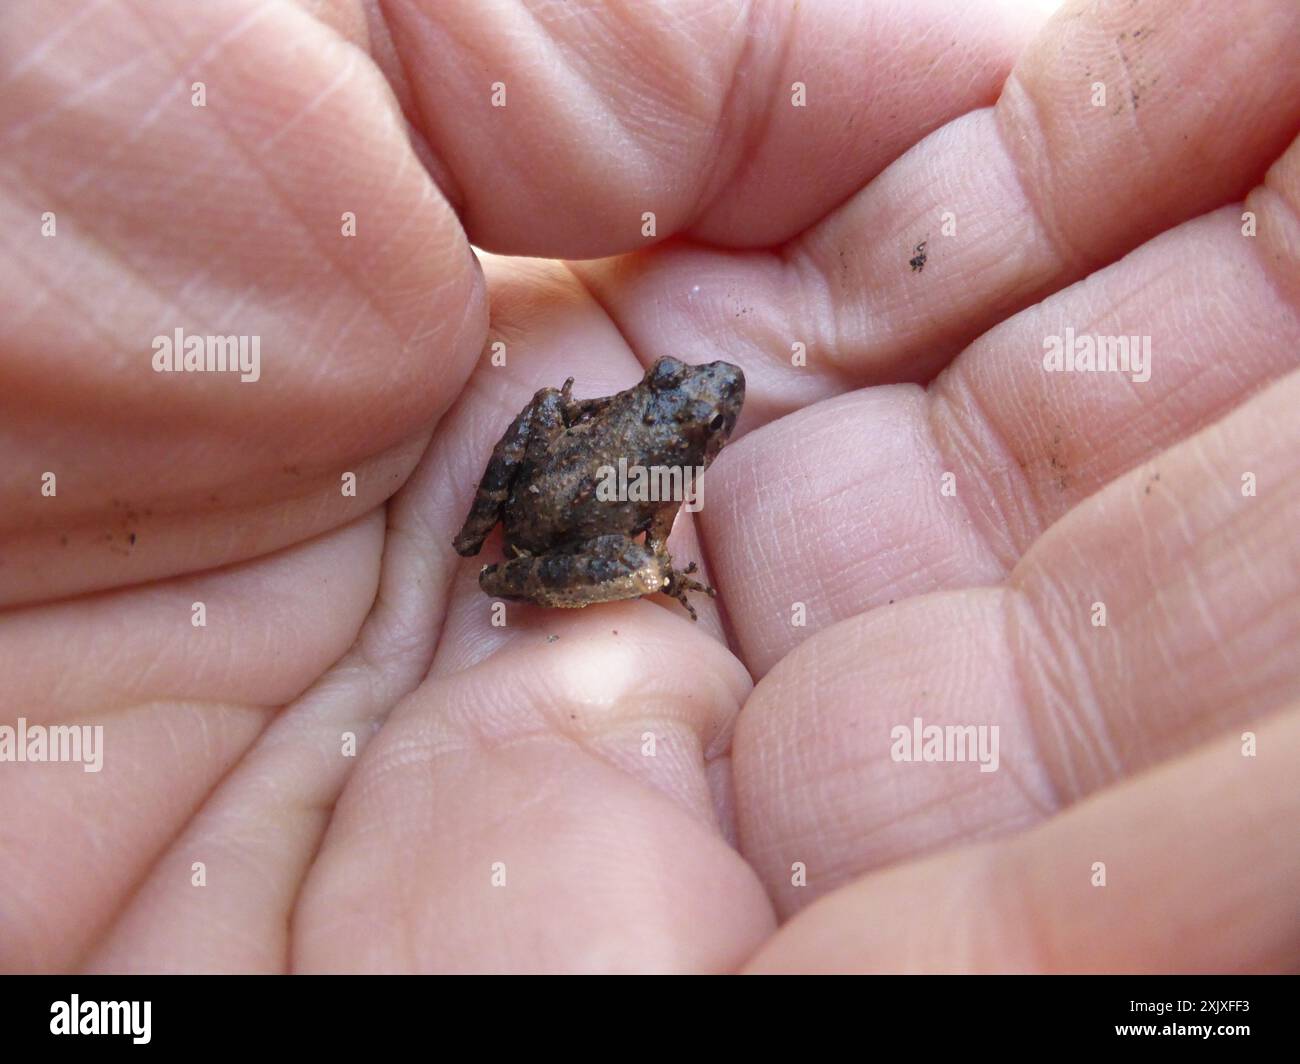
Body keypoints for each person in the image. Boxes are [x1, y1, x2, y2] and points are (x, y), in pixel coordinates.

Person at [2, 0, 1297, 973]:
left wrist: (568, 436)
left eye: (703, 401)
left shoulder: (657, 445)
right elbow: (606, 527)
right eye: (700, 396)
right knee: (623, 554)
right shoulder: (662, 481)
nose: (711, 394)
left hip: (536, 493)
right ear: (688, 426)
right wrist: (654, 568)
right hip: (545, 541)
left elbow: (581, 463)